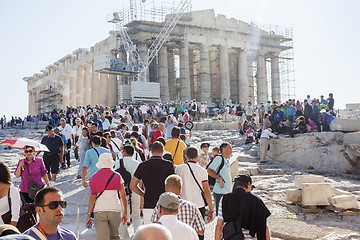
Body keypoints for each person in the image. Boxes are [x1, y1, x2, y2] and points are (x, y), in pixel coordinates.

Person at [130, 142, 175, 224]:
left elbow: (132, 185)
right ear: (162, 152)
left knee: (150, 232)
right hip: (165, 203)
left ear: (150, 151)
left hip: (148, 202)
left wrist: (143, 194)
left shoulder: (143, 165)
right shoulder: (169, 165)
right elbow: (173, 184)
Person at [215, 175, 271, 240]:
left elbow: (219, 226)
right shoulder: (256, 200)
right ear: (249, 184)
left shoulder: (224, 198)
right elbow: (264, 227)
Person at [86, 153, 127, 240]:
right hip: (115, 209)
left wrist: (89, 214)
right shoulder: (117, 176)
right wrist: (125, 212)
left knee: (102, 238)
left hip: (100, 210)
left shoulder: (94, 177)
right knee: (115, 236)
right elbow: (122, 195)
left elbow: (92, 197)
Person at [151, 175, 206, 239]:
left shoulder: (158, 208)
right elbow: (201, 231)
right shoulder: (192, 207)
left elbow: (153, 230)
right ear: (180, 189)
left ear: (166, 189)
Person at [175, 147, 214, 221]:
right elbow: (206, 190)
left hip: (183, 204)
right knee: (199, 230)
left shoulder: (178, 169)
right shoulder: (202, 170)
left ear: (186, 156)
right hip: (198, 205)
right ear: (197, 157)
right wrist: (211, 209)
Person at [114, 145, 141, 239]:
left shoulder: (118, 162)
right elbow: (140, 180)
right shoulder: (137, 163)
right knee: (136, 215)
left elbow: (115, 177)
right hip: (135, 190)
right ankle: (138, 236)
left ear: (125, 153)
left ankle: (125, 237)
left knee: (123, 215)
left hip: (122, 191)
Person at [207, 142, 233, 216]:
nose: (231, 149)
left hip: (227, 191)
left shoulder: (226, 160)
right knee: (220, 217)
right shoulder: (219, 158)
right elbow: (209, 171)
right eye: (229, 147)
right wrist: (219, 178)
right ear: (224, 149)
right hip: (220, 192)